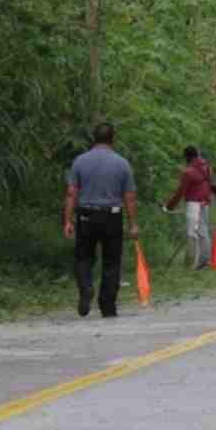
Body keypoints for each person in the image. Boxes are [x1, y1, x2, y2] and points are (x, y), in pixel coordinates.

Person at [63, 122, 139, 318]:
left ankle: (86, 288)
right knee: (112, 262)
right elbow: (129, 197)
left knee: (83, 257)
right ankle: (107, 306)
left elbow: (71, 193)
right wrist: (132, 224)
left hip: (86, 215)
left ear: (93, 138)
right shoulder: (122, 163)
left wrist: (68, 221)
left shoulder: (80, 161)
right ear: (113, 139)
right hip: (112, 216)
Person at [163, 146, 213, 269]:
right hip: (205, 203)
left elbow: (180, 192)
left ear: (187, 157)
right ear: (198, 155)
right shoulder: (207, 168)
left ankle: (190, 264)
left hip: (193, 204)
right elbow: (210, 185)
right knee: (203, 232)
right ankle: (204, 260)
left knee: (192, 234)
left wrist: (169, 206)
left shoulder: (188, 172)